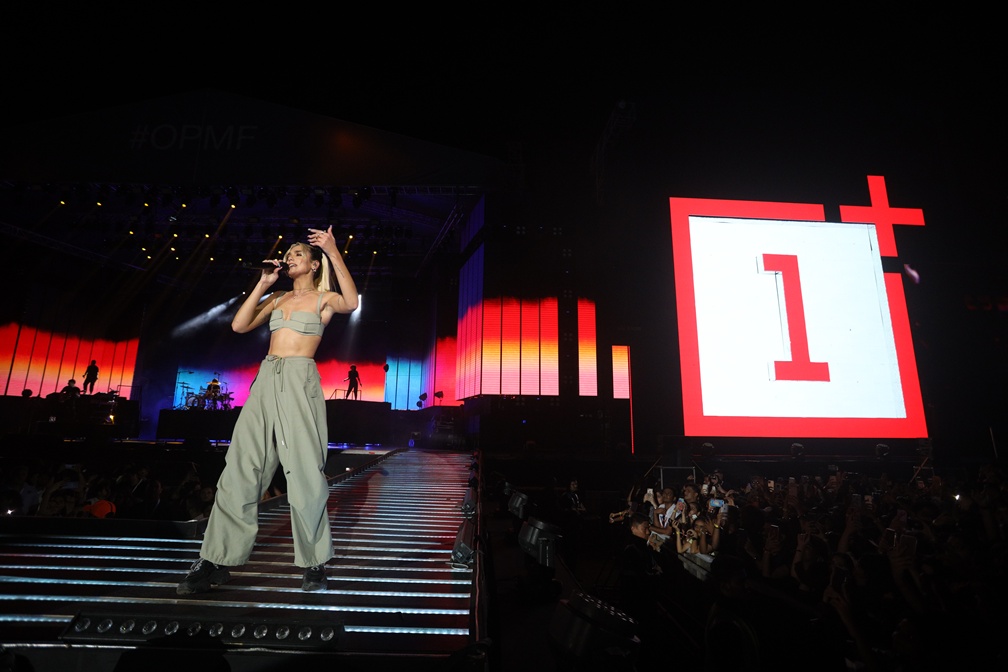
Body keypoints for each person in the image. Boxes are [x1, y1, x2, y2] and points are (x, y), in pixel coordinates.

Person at [177, 225, 359, 595]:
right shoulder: (276, 298)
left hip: (298, 378)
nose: (290, 258)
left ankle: (314, 563)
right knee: (241, 467)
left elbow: (352, 302)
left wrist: (333, 250)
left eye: (297, 254)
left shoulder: (324, 299)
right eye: (288, 254)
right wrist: (262, 282)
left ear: (312, 264)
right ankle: (216, 558)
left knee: (306, 471)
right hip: (266, 377)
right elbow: (239, 324)